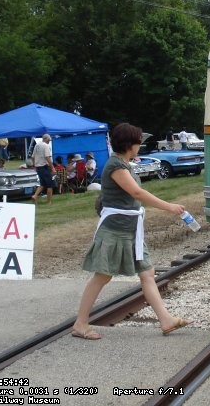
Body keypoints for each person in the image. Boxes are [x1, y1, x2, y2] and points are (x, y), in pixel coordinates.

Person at [72, 123, 190, 340]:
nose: (140, 145)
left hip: (131, 231)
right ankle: (80, 323)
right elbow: (137, 192)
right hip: (115, 231)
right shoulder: (115, 166)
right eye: (138, 142)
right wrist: (170, 207)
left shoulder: (124, 164)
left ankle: (165, 320)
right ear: (129, 145)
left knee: (147, 273)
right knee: (102, 276)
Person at [30, 134, 56, 205]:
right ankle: (49, 202)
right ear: (46, 139)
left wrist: (34, 165)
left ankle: (35, 196)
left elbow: (32, 157)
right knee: (49, 185)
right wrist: (53, 168)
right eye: (49, 140)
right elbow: (48, 158)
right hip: (44, 167)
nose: (49, 141)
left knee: (42, 184)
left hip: (38, 167)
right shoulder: (46, 146)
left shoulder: (37, 145)